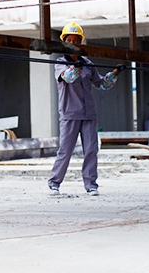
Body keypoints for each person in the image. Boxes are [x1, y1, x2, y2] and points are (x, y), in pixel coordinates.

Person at [48, 22, 125, 196]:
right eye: (69, 40)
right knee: (65, 150)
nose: (73, 43)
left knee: (91, 150)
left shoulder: (88, 64)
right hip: (70, 114)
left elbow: (101, 84)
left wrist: (114, 74)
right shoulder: (60, 63)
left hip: (89, 114)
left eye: (76, 40)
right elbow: (67, 77)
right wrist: (77, 67)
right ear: (64, 43)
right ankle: (54, 182)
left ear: (81, 43)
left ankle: (91, 185)